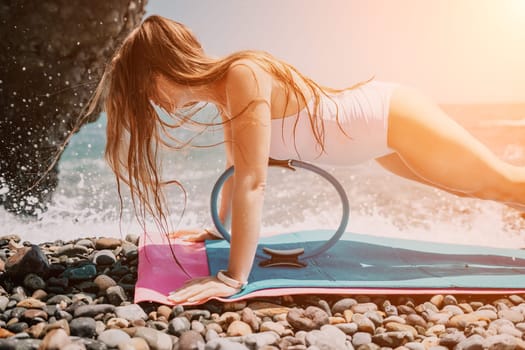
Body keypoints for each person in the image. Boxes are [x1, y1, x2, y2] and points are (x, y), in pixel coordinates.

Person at [89, 15, 525, 304]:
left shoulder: (242, 74)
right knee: (478, 186)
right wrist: (216, 229)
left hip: (392, 117)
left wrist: (232, 278)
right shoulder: (225, 94)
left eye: (149, 90)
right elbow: (238, 169)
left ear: (165, 68)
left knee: (498, 182)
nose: (157, 104)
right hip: (380, 141)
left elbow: (254, 183)